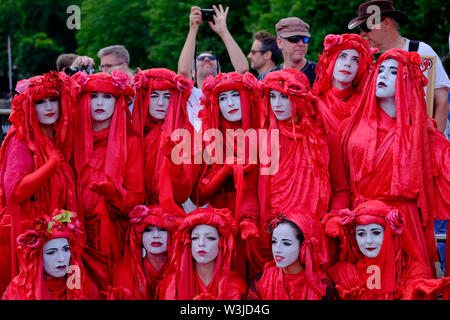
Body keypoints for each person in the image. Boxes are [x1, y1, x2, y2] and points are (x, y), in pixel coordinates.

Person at [337, 49, 450, 278]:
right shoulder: (350, 127)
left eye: (393, 72)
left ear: (407, 81)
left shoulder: (423, 131)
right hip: (363, 223)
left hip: (404, 223)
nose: (384, 76)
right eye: (381, 70)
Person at [252, 68, 350, 271]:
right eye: (273, 96)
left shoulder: (325, 137)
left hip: (314, 235)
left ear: (301, 99)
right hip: (274, 237)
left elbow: (341, 189)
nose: (277, 104)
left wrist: (334, 218)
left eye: (284, 97)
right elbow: (253, 193)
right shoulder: (262, 138)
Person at [0, 71, 78, 296]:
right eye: (40, 102)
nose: (49, 107)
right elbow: (15, 192)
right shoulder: (20, 140)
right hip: (27, 234)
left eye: (53, 99)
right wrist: (50, 166)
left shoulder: (56, 138)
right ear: (28, 107)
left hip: (54, 236)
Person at [72, 70, 145, 293]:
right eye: (93, 96)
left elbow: (136, 198)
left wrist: (113, 194)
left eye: (107, 97)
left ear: (117, 102)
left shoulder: (130, 142)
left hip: (112, 237)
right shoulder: (70, 139)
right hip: (74, 236)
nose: (100, 103)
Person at [192, 71, 260, 281]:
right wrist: (226, 170)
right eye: (223, 98)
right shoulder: (209, 135)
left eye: (235, 95)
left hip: (261, 220)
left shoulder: (265, 130)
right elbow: (199, 196)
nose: (230, 103)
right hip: (223, 223)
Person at [348, 0, 450, 133]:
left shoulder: (421, 51)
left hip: (421, 142)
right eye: (359, 29)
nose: (362, 34)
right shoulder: (365, 60)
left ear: (386, 23)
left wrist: (436, 144)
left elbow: (442, 102)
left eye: (366, 27)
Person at [326, 200, 431, 300]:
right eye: (361, 234)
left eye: (376, 233)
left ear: (389, 233)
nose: (368, 241)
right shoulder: (347, 273)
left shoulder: (412, 271)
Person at [177, 5, 249, 132]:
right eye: (200, 59)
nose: (206, 60)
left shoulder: (228, 95)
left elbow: (243, 70)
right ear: (192, 72)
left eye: (212, 59)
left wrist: (223, 31)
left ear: (220, 71)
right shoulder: (190, 95)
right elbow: (182, 72)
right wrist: (193, 29)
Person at [131, 68, 194, 215]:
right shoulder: (132, 132)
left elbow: (183, 193)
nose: (160, 103)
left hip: (170, 217)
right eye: (154, 96)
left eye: (167, 96)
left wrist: (174, 165)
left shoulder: (186, 134)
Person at [2, 209, 100, 300]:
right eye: (52, 252)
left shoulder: (85, 287)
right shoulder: (17, 291)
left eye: (66, 249)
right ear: (38, 257)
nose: (62, 258)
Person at [157, 207, 247, 300]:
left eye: (210, 238)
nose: (201, 244)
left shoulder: (235, 286)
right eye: (195, 238)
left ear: (221, 243)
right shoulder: (172, 285)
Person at [247, 212, 335, 300]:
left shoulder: (323, 286)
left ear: (303, 246)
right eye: (274, 242)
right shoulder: (262, 280)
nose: (277, 249)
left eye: (286, 243)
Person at [110, 205, 179, 300]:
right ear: (139, 236)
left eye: (163, 229)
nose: (156, 236)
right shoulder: (125, 273)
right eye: (148, 230)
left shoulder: (183, 271)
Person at [313, 33, 375, 133]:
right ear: (331, 60)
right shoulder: (313, 101)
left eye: (355, 60)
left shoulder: (367, 103)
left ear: (362, 66)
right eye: (342, 56)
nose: (348, 63)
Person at [258, 17, 317, 88]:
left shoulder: (321, 75)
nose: (301, 44)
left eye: (305, 39)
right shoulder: (265, 79)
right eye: (294, 38)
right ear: (279, 42)